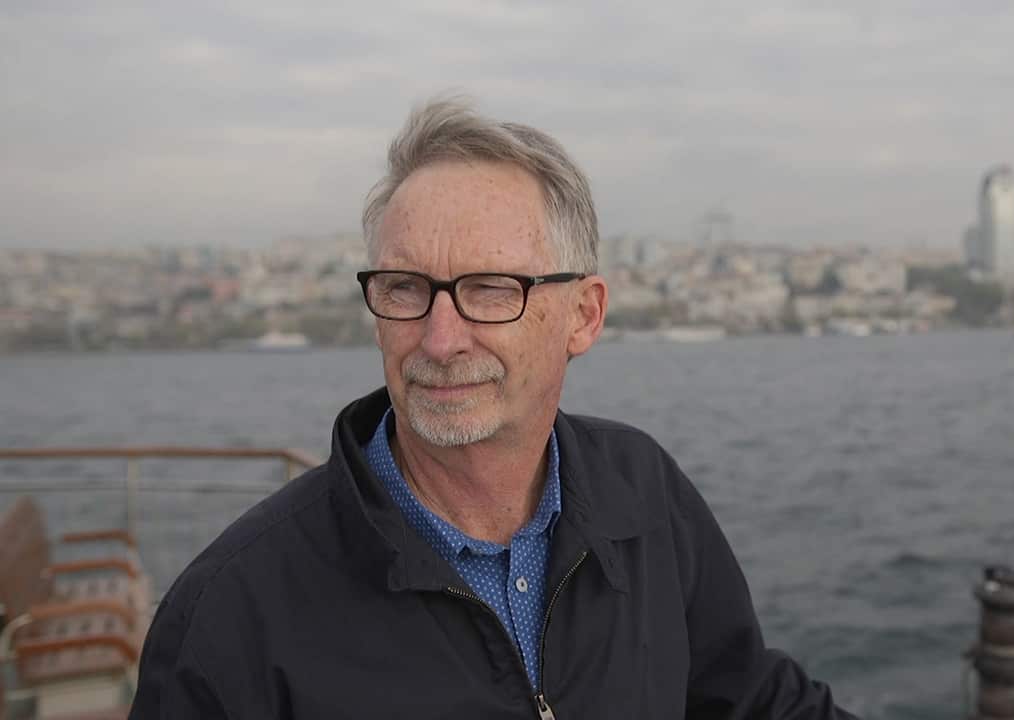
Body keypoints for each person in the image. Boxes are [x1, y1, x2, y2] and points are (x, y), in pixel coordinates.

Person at [130, 98, 856, 719]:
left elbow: (748, 699)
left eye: (490, 289)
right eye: (405, 288)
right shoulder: (229, 616)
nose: (440, 340)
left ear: (583, 315)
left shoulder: (644, 492)